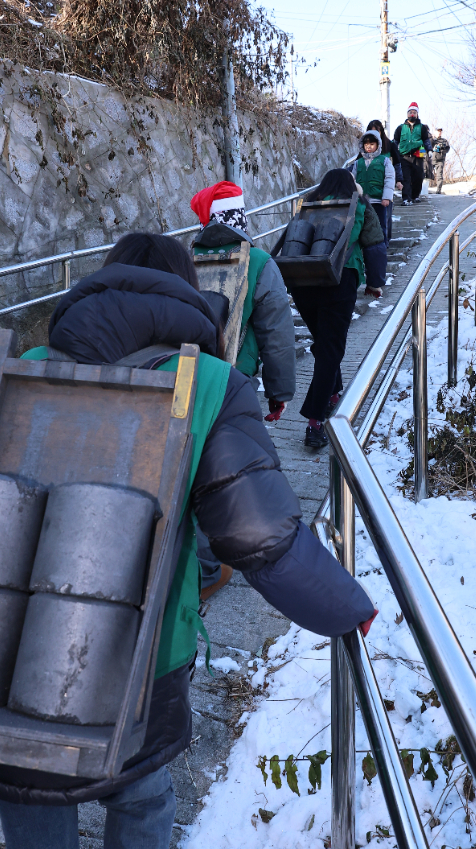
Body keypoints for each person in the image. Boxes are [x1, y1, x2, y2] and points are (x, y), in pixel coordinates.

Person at [0, 231, 378, 849]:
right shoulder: (209, 381)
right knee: (140, 816)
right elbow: (258, 535)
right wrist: (346, 606)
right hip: (142, 674)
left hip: (11, 669)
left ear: (102, 291)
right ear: (186, 298)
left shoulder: (26, 368)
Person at [190, 180, 297, 599]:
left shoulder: (186, 258)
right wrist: (280, 391)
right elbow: (277, 333)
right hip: (235, 386)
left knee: (191, 468)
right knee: (231, 474)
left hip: (186, 378)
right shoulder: (258, 263)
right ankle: (221, 561)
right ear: (241, 219)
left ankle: (200, 564)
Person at [288, 169, 387, 449]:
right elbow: (375, 246)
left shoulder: (310, 203)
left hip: (303, 281)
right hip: (339, 279)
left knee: (324, 343)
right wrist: (375, 283)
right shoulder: (358, 204)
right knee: (330, 348)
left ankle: (333, 393)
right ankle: (315, 421)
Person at [349, 129, 396, 246]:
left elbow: (389, 179)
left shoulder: (384, 161)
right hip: (362, 202)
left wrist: (386, 198)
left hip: (378, 201)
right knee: (362, 226)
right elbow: (352, 180)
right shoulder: (357, 163)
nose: (368, 147)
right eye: (366, 144)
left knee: (380, 225)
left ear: (378, 145)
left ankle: (382, 247)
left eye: (371, 144)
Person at [365, 119, 404, 241]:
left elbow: (397, 163)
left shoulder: (390, 145)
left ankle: (386, 240)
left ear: (381, 131)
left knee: (386, 215)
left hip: (386, 184)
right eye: (371, 132)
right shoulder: (366, 149)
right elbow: (356, 165)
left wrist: (399, 180)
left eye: (377, 131)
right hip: (371, 187)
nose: (374, 134)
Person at [393, 102, 432, 205]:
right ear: (407, 114)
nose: (412, 114)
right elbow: (395, 141)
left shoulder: (422, 127)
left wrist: (429, 150)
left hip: (418, 156)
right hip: (404, 156)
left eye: (414, 112)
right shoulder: (400, 128)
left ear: (417, 114)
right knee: (405, 177)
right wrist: (392, 152)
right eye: (410, 112)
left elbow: (426, 140)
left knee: (418, 177)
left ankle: (415, 195)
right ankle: (406, 198)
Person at [431, 127, 451, 194]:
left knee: (439, 175)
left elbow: (447, 149)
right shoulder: (431, 139)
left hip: (440, 160)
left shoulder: (444, 141)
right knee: (426, 174)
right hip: (431, 159)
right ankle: (424, 189)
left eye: (440, 131)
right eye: (438, 131)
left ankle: (438, 190)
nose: (439, 133)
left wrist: (442, 150)